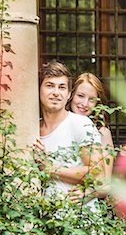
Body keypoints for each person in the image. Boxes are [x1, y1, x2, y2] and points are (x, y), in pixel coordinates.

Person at [34, 61, 107, 210]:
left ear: (68, 94)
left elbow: (97, 172)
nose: (56, 92)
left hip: (81, 221)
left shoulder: (81, 124)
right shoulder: (32, 129)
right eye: (50, 86)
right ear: (38, 90)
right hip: (46, 222)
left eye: (62, 87)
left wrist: (50, 168)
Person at [67, 72, 115, 199]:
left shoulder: (102, 133)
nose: (85, 103)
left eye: (91, 99)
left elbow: (106, 185)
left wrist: (87, 194)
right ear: (71, 95)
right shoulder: (58, 125)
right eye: (80, 96)